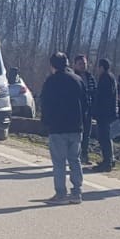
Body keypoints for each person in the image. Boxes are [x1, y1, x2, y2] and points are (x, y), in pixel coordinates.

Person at [40, 51, 87, 205]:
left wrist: (45, 123)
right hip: (76, 127)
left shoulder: (51, 81)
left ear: (52, 65)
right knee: (75, 160)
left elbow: (45, 104)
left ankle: (61, 193)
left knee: (59, 162)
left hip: (57, 127)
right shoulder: (78, 80)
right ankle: (77, 192)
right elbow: (86, 103)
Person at [91, 58, 118, 171]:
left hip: (104, 113)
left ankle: (107, 162)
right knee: (106, 137)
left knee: (103, 137)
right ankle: (110, 159)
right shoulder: (111, 77)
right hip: (109, 112)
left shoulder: (105, 78)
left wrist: (97, 110)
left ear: (101, 67)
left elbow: (103, 97)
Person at [71, 54, 96, 162]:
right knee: (75, 134)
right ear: (75, 65)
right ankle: (73, 155)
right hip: (76, 110)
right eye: (80, 64)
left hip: (88, 110)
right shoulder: (72, 76)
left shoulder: (90, 77)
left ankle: (84, 155)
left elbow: (95, 91)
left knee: (86, 133)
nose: (83, 66)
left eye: (84, 64)